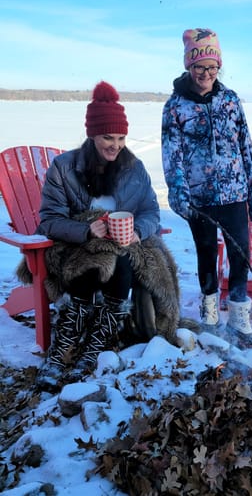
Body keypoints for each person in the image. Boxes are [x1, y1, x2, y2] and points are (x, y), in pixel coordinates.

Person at [31, 81, 176, 390]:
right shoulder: (64, 168)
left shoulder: (134, 169)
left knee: (121, 259)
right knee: (96, 262)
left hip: (123, 248)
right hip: (77, 247)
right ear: (92, 135)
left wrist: (138, 231)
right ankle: (63, 348)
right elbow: (49, 220)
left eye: (121, 137)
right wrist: (85, 229)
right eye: (108, 137)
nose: (116, 145)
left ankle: (96, 343)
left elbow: (151, 211)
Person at [161, 28, 252, 348]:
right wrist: (179, 192)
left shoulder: (231, 101)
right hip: (200, 196)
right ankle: (209, 316)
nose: (206, 74)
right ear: (188, 67)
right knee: (206, 254)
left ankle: (238, 316)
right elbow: (171, 154)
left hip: (234, 193)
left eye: (212, 67)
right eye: (199, 67)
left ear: (218, 67)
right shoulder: (175, 106)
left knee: (240, 254)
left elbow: (246, 146)